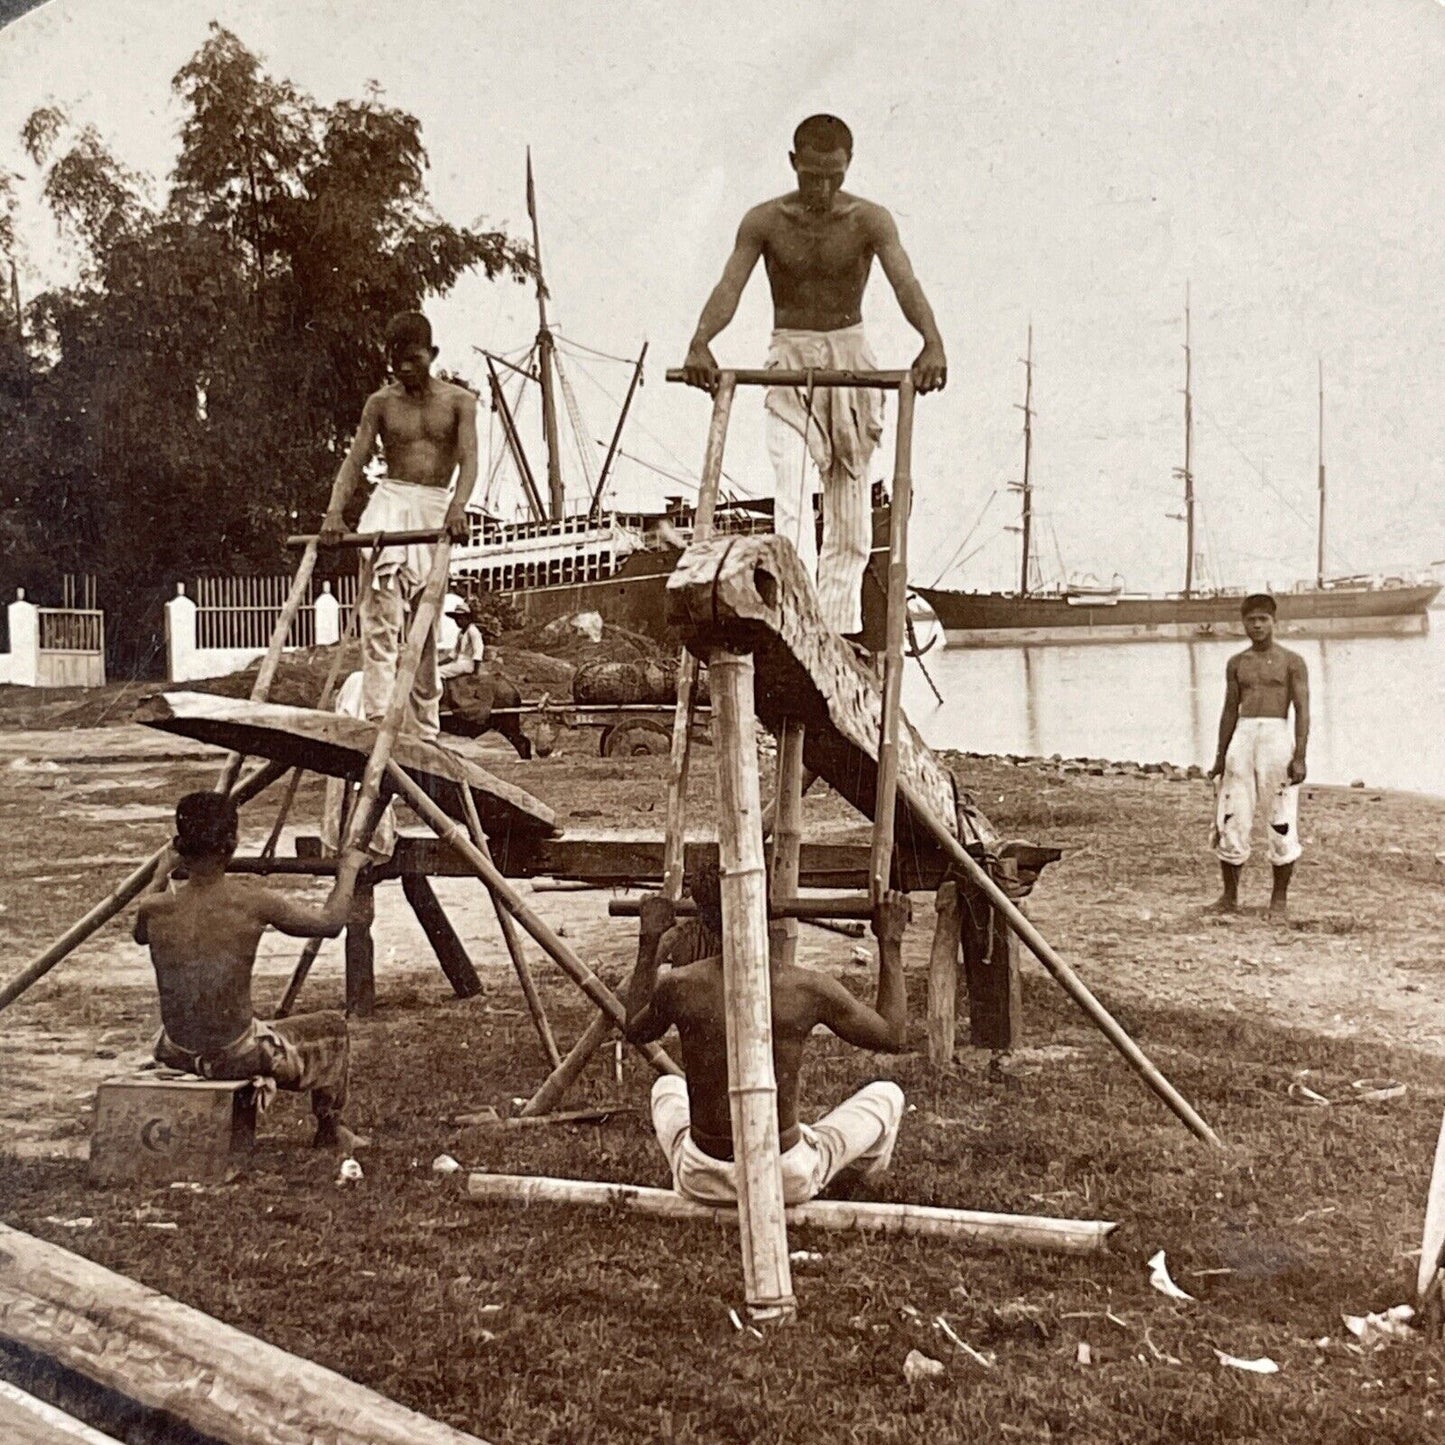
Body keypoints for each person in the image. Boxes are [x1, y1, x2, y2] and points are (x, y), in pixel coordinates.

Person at [682, 114, 947, 641]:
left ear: (848, 167)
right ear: (792, 164)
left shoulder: (870, 220)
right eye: (811, 177)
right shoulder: (764, 221)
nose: (822, 189)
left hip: (850, 359)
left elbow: (905, 281)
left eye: (834, 176)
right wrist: (700, 341)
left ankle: (836, 632)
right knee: (792, 483)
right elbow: (730, 284)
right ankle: (793, 615)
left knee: (850, 503)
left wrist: (932, 341)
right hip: (789, 358)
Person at [625, 877, 912, 1206]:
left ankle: (821, 1179)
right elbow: (892, 1035)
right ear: (770, 911)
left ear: (705, 918)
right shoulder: (807, 988)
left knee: (666, 1088)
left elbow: (636, 1030)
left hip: (703, 1177)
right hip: (784, 1176)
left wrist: (649, 944)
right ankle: (858, 1186)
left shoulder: (679, 985)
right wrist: (890, 942)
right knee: (888, 1096)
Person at [134, 791, 371, 1153]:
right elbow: (331, 923)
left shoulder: (153, 907)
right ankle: (330, 1130)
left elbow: (139, 934)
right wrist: (349, 870)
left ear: (180, 846)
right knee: (333, 1028)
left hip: (174, 1051)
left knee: (237, 1029)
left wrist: (162, 870)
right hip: (235, 1054)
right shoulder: (252, 903)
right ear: (232, 844)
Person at [319, 311, 479, 739]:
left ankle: (426, 728)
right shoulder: (381, 403)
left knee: (425, 628)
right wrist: (335, 513)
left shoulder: (459, 402)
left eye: (413, 358)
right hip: (389, 505)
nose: (404, 368)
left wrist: (458, 507)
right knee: (380, 618)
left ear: (433, 354)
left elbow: (469, 461)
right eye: (396, 360)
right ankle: (377, 720)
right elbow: (355, 460)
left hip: (434, 508)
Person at [1208, 593, 1310, 920]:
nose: (1257, 625)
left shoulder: (1292, 661)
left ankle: (1278, 899)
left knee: (1280, 814)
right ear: (1243, 623)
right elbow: (1228, 710)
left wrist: (1300, 756)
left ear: (1274, 621)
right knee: (1232, 814)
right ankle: (1229, 897)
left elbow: (1303, 710)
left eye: (1263, 619)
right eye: (1251, 619)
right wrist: (1220, 756)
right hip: (1243, 737)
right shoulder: (1237, 663)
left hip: (1277, 738)